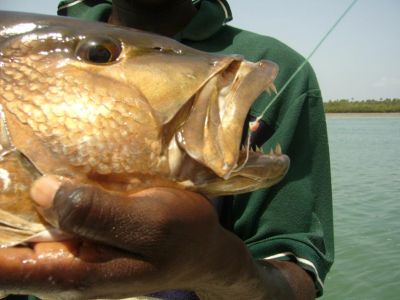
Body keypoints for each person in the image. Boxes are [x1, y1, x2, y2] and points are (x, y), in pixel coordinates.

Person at [0, 0, 334, 299]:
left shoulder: (279, 66)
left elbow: (295, 270)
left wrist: (220, 269)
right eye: (100, 54)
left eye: (101, 54)